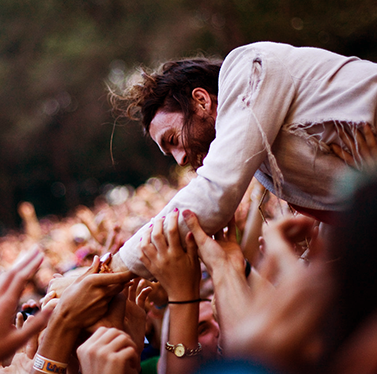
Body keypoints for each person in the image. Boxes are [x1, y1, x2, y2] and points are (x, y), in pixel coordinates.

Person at [109, 41, 377, 278]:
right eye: (170, 154)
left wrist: (115, 266)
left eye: (173, 139)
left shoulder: (248, 65)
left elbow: (214, 194)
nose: (180, 160)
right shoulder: (261, 158)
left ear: (201, 101)